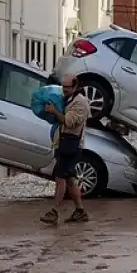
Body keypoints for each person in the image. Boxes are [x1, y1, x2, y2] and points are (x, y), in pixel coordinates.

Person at [40, 75, 91, 224]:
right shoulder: (69, 99)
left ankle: (54, 212)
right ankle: (80, 211)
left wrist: (54, 111)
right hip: (64, 144)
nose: (65, 90)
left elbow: (69, 122)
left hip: (71, 147)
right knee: (70, 180)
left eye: (68, 87)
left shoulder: (80, 103)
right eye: (63, 87)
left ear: (75, 87)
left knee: (60, 178)